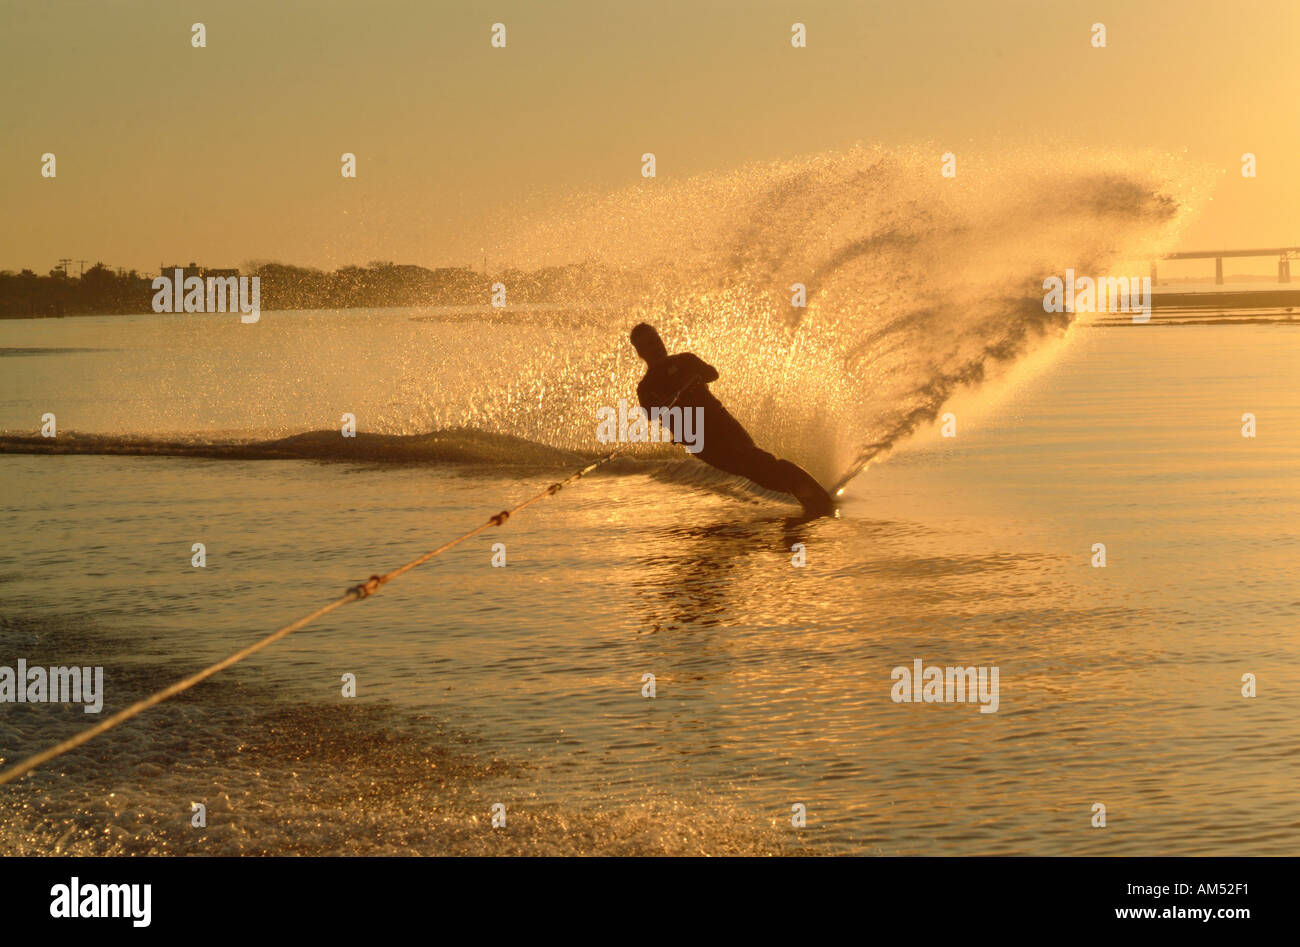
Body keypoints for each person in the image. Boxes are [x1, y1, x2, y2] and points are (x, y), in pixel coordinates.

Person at [629, 323, 835, 517]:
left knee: (756, 458)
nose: (656, 346)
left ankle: (810, 494)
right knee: (753, 473)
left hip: (721, 423)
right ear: (640, 352)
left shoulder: (685, 361)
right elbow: (653, 415)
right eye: (649, 344)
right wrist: (671, 399)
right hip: (700, 442)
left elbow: (712, 373)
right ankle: (804, 494)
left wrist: (693, 377)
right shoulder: (646, 387)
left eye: (656, 340)